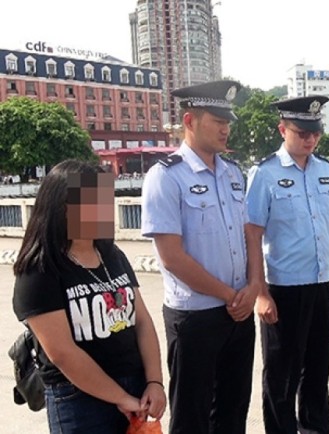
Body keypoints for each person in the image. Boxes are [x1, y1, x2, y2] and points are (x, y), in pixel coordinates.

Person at [12, 159, 166, 434]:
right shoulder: (40, 270)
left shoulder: (112, 256)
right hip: (78, 400)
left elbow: (142, 321)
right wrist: (120, 398)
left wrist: (155, 382)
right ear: (61, 208)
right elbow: (62, 353)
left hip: (135, 387)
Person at [141, 80, 258, 434]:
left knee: (233, 413)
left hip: (239, 313)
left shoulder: (232, 173)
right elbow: (172, 257)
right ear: (189, 121)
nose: (226, 129)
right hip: (196, 318)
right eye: (217, 121)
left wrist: (254, 286)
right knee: (192, 418)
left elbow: (249, 235)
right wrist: (230, 295)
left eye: (228, 122)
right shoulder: (166, 177)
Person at [245, 95, 329, 434]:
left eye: (315, 133)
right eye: (302, 132)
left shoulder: (325, 170)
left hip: (320, 286)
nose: (310, 140)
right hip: (283, 290)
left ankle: (315, 429)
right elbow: (252, 235)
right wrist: (260, 293)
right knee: (281, 376)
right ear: (283, 130)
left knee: (318, 370)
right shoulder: (264, 174)